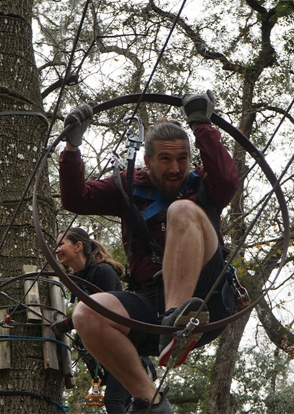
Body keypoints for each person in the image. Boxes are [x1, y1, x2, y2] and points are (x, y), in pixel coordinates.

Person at [58, 91, 240, 413]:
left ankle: (179, 318)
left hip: (206, 293)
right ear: (148, 161)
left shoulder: (203, 185)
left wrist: (201, 124)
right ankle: (151, 400)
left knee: (182, 211)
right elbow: (77, 199)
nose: (175, 168)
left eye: (182, 159)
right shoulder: (128, 186)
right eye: (166, 160)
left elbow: (227, 179)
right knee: (86, 312)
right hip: (150, 300)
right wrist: (72, 148)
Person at [51, 227, 133, 413]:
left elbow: (102, 311)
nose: (57, 250)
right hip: (112, 354)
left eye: (61, 244)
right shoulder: (80, 279)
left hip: (125, 351)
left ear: (78, 246)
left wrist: (65, 325)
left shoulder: (102, 271)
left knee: (114, 402)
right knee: (124, 405)